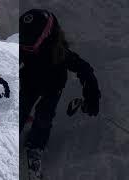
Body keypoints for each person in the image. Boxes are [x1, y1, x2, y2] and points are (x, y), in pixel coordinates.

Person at [20, 9, 101, 178]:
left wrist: (91, 93)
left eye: (29, 43)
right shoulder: (27, 47)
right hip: (31, 83)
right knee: (23, 109)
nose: (26, 47)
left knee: (44, 116)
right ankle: (19, 132)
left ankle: (36, 146)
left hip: (51, 87)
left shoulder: (60, 53)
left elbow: (84, 70)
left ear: (45, 36)